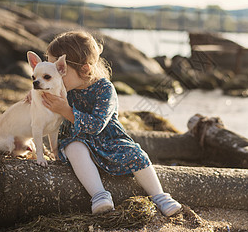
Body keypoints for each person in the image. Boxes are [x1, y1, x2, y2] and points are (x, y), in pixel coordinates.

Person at [40, 30, 182, 216]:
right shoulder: (61, 88)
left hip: (109, 139)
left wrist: (66, 110)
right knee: (75, 148)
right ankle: (99, 195)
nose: (54, 74)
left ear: (85, 70)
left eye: (61, 69)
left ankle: (159, 195)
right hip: (77, 139)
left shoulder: (104, 89)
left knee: (136, 154)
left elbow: (97, 125)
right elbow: (43, 108)